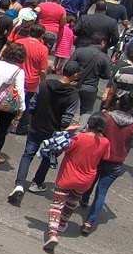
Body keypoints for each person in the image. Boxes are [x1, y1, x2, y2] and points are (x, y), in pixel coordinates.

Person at [7, 60, 82, 207]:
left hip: (36, 125)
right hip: (54, 131)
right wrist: (65, 131)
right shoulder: (73, 96)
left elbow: (33, 105)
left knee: (28, 155)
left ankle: (19, 184)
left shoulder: (44, 84)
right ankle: (37, 182)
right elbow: (66, 119)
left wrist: (31, 122)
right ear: (75, 75)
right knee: (48, 156)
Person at [42, 112, 111, 253]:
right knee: (72, 202)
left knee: (57, 204)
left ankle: (53, 234)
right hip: (86, 180)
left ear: (89, 124)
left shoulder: (78, 138)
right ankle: (62, 224)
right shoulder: (105, 142)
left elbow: (60, 145)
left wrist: (67, 131)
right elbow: (106, 157)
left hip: (67, 176)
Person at [79, 102, 133, 237]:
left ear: (118, 103)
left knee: (91, 179)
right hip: (116, 161)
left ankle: (84, 199)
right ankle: (89, 223)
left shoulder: (107, 117)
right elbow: (132, 144)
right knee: (102, 192)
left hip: (99, 155)